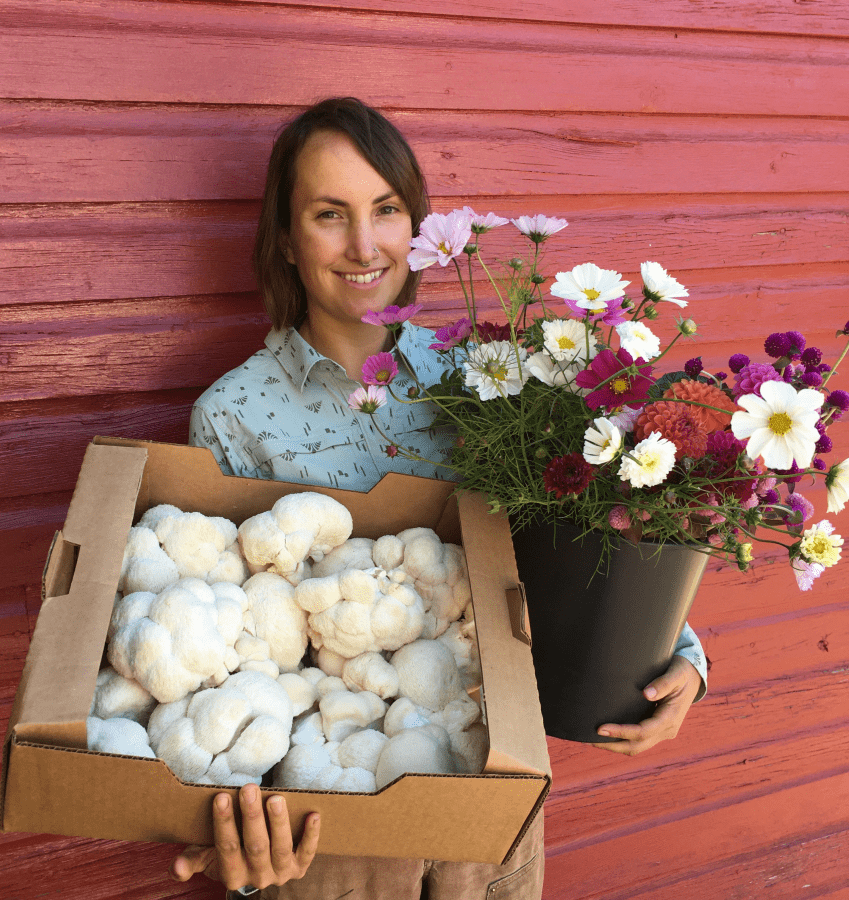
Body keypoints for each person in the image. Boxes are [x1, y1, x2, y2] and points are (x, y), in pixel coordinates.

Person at [172, 97, 708, 899]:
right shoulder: (232, 416)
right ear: (285, 240)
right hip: (330, 820)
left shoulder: (488, 379)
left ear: (417, 226)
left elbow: (570, 541)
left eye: (386, 209)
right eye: (329, 214)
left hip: (489, 794)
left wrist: (680, 663)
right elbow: (207, 641)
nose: (365, 244)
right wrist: (233, 837)